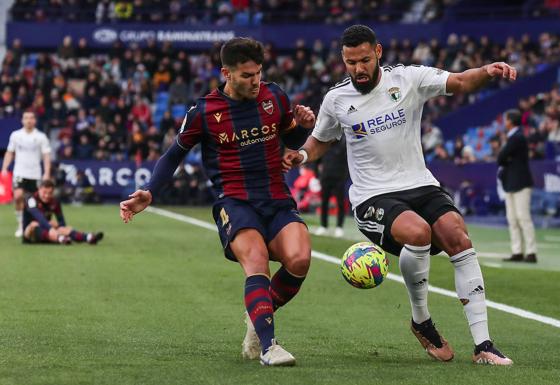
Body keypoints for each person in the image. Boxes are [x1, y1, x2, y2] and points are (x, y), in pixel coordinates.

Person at [283, 25, 515, 365]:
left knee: (458, 236)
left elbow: (462, 81)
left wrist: (488, 71)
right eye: (350, 62)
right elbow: (321, 139)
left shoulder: (409, 79)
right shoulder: (336, 99)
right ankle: (421, 320)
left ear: (378, 52)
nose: (358, 69)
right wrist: (301, 156)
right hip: (372, 196)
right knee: (418, 231)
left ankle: (483, 345)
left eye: (364, 60)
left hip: (420, 183)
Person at [119, 37, 315, 367]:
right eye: (246, 75)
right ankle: (269, 347)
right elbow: (172, 155)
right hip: (235, 201)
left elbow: (291, 136)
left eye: (258, 73)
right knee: (257, 260)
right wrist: (150, 191)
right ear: (226, 72)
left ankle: (257, 319)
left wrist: (303, 127)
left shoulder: (275, 95)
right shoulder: (204, 111)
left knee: (299, 261)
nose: (254, 82)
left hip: (276, 198)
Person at [1, 111, 52, 238]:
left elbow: (46, 156)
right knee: (18, 196)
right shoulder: (16, 135)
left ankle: (35, 225)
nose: (29, 120)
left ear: (35, 121)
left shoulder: (41, 137)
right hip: (20, 172)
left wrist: (47, 173)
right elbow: (10, 152)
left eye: (31, 118)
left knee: (34, 202)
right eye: (26, 118)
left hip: (35, 174)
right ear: (22, 120)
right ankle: (20, 224)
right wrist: (4, 168)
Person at [498, 109, 537, 263]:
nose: (504, 122)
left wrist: (505, 157)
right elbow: (503, 157)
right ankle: (517, 251)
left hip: (520, 182)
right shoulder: (514, 137)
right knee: (513, 219)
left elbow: (501, 156)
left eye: (506, 119)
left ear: (511, 121)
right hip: (511, 182)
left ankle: (531, 251)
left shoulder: (517, 137)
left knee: (523, 217)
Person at [22, 179, 104, 245]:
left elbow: (62, 223)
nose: (47, 196)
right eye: (44, 193)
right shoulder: (30, 198)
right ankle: (61, 238)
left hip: (48, 232)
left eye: (50, 193)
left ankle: (88, 237)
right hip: (30, 235)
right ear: (39, 190)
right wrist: (49, 226)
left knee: (63, 228)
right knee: (34, 225)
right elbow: (37, 214)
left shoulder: (55, 202)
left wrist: (56, 225)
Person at [315, 136, 348, 237]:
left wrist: (344, 177)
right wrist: (317, 176)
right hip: (325, 178)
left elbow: (348, 162)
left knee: (340, 203)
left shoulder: (343, 145)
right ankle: (323, 226)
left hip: (339, 179)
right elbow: (317, 161)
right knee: (324, 203)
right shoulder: (324, 146)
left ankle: (339, 227)